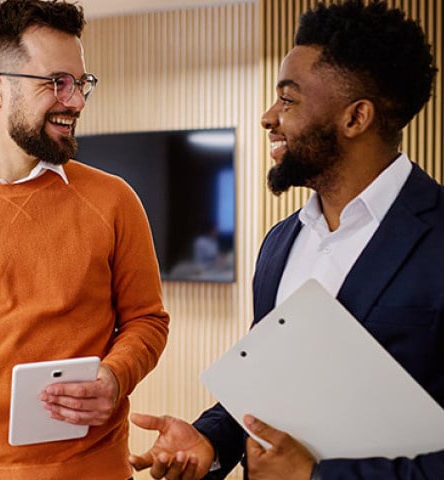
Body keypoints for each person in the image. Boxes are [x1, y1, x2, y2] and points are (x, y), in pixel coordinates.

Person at [128, 0, 443, 479]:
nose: (268, 117)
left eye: (289, 99)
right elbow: (273, 388)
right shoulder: (280, 243)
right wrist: (213, 438)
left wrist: (313, 477)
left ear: (355, 118)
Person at [0, 1, 169, 479]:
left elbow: (147, 321)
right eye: (56, 82)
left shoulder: (114, 200)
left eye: (81, 83)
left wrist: (115, 379)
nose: (75, 101)